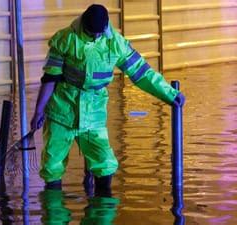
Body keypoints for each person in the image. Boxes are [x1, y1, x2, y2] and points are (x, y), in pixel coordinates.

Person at [30, 4, 185, 194]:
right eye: (90, 33)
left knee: (104, 162)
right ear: (83, 24)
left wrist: (169, 94)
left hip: (93, 115)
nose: (95, 37)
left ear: (105, 28)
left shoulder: (116, 44)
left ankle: (101, 210)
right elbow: (50, 79)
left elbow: (142, 74)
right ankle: (54, 213)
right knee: (52, 166)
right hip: (61, 112)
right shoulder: (65, 39)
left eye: (98, 33)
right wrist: (38, 111)